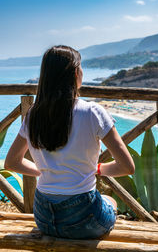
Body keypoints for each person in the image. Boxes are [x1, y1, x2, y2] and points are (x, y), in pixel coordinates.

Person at [4, 45, 135, 239]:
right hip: (83, 217)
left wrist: (46, 171)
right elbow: (127, 167)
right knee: (110, 201)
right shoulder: (92, 112)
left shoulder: (33, 114)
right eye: (81, 66)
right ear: (75, 72)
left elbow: (12, 162)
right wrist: (97, 169)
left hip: (43, 215)